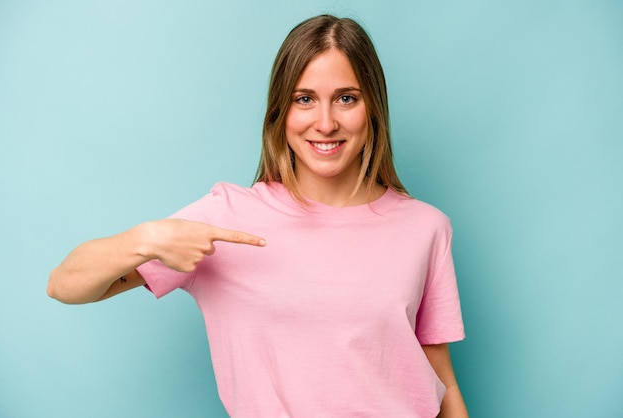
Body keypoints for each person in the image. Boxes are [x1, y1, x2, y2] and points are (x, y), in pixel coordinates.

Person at [48, 14, 468, 418]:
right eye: (304, 99)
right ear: (279, 112)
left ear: (372, 107)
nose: (325, 123)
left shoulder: (425, 228)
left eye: (346, 98)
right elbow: (65, 285)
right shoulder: (226, 219)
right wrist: (148, 238)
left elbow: (441, 379)